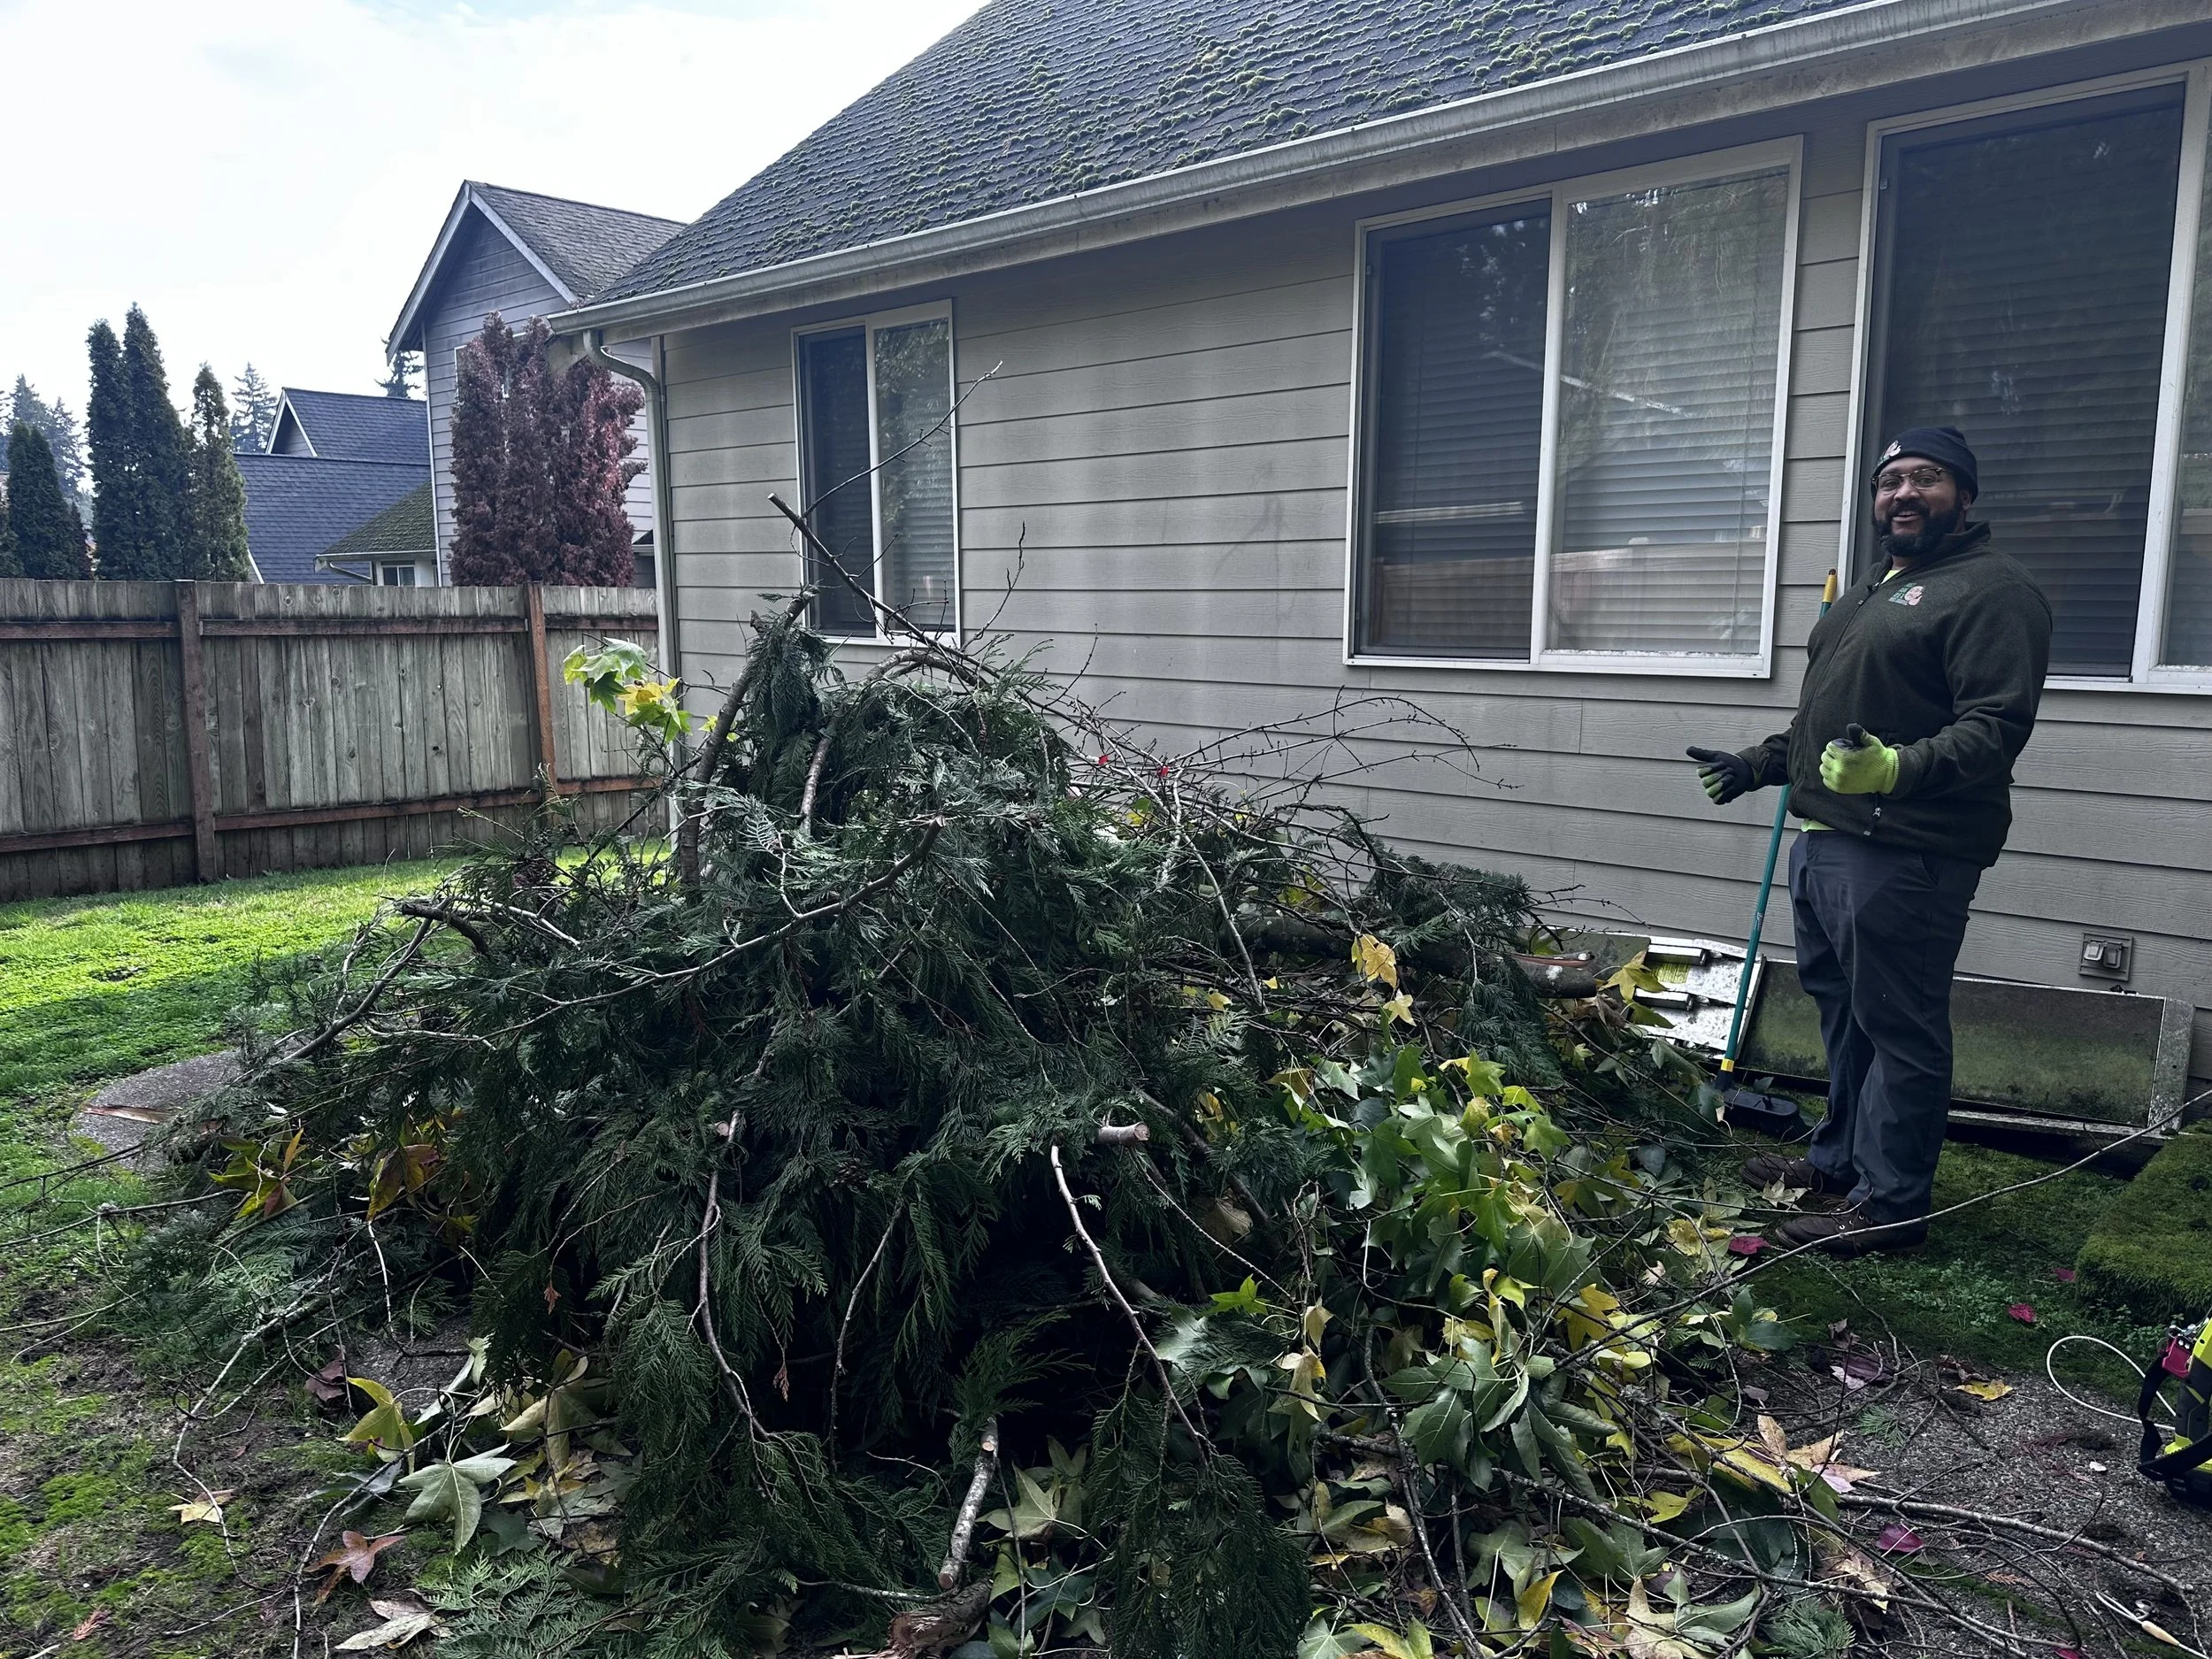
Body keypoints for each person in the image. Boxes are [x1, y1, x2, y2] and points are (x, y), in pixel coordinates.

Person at [1686, 427, 2052, 1256]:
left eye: (1927, 478)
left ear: (1965, 495)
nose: (1905, 494)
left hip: (1906, 847)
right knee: (1846, 1018)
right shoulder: (1870, 590)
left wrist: (1893, 770)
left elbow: (1996, 727)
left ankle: (1892, 1207)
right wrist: (1758, 764)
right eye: (1891, 481)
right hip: (1826, 840)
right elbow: (1829, 724)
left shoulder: (1994, 590)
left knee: (1900, 1026)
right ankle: (1841, 1163)